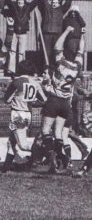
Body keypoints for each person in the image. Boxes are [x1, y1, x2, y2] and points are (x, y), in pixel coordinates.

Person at [41, 25, 84, 174]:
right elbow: (81, 51)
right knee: (58, 133)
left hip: (54, 100)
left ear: (64, 54)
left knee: (46, 131)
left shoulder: (61, 64)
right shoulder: (77, 67)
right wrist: (82, 35)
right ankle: (62, 159)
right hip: (66, 103)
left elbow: (57, 46)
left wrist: (66, 31)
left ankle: (56, 155)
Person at [1, 60, 47, 173]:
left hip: (17, 113)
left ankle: (47, 153)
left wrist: (5, 91)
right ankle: (5, 168)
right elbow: (43, 100)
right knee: (11, 141)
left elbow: (6, 100)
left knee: (22, 145)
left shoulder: (17, 82)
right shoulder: (35, 83)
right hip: (28, 114)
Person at [5, 0, 39, 72]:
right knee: (12, 51)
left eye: (22, 0)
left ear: (25, 2)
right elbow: (7, 0)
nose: (20, 2)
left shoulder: (28, 8)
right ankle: (11, 70)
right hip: (14, 32)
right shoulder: (14, 7)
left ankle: (21, 69)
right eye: (19, 0)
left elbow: (36, 1)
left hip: (23, 33)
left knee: (21, 52)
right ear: (17, 1)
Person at [41, 0, 73, 65]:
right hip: (47, 34)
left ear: (59, 4)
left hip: (57, 34)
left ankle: (56, 69)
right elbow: (44, 0)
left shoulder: (61, 10)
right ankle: (46, 70)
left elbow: (67, 4)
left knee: (57, 52)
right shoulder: (48, 9)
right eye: (53, 3)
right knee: (46, 53)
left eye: (56, 3)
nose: (54, 4)